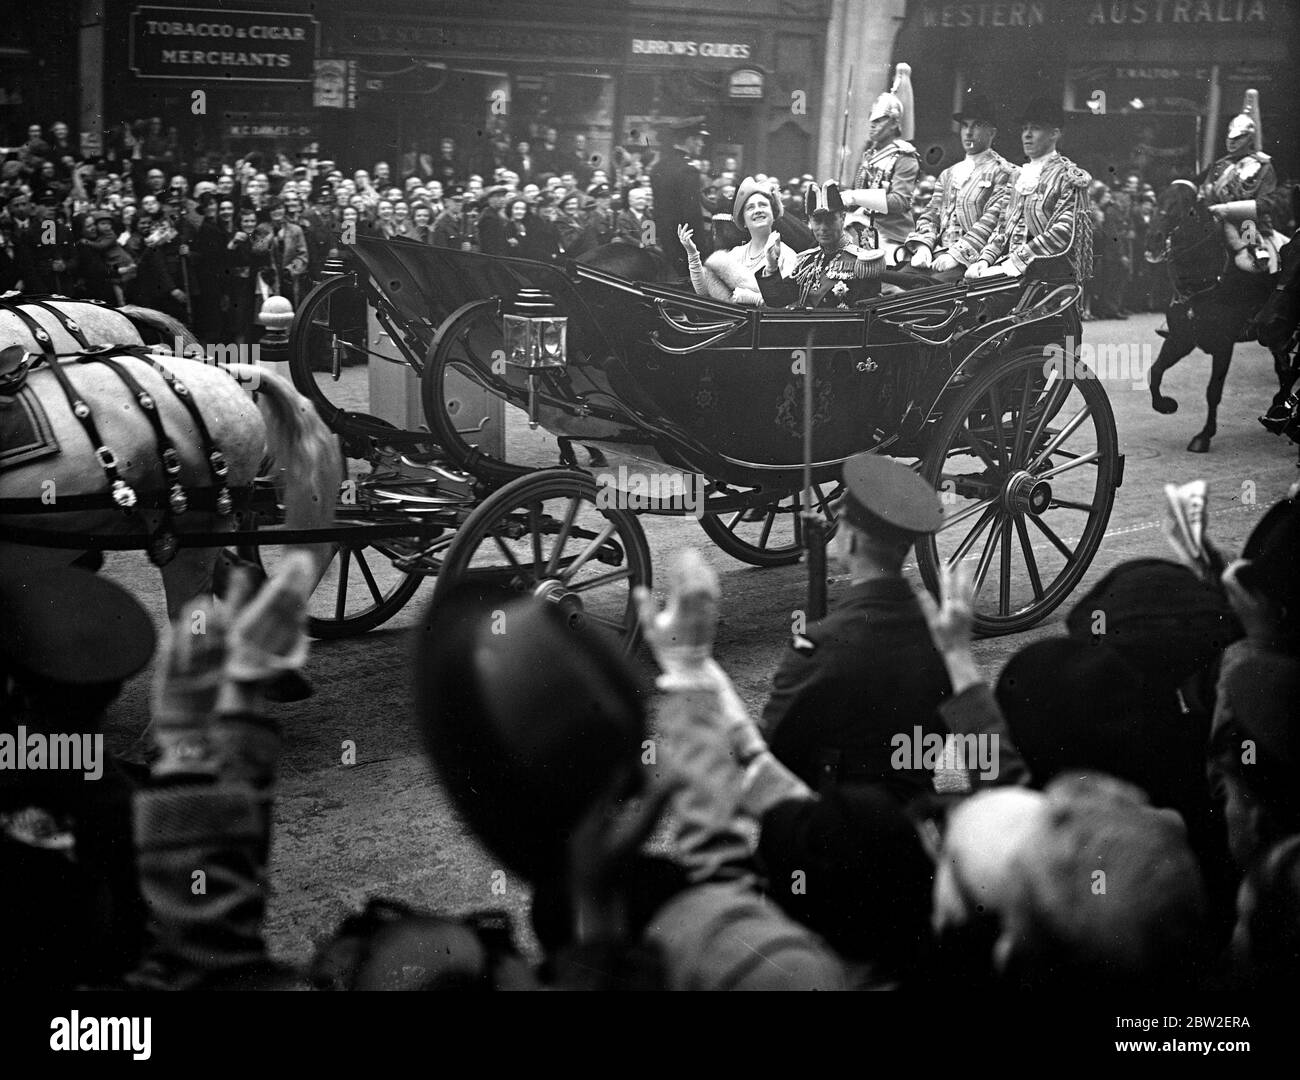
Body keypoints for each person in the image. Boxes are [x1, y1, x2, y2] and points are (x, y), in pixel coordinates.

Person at [760, 452, 951, 798]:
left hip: (842, 823)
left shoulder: (820, 644)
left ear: (849, 540)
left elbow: (773, 753)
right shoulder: (943, 637)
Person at [965, 97, 1092, 287]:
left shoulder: (1068, 176)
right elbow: (1002, 229)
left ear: (1054, 134)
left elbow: (1063, 231)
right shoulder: (1017, 176)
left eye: (1036, 128)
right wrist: (984, 260)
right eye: (1024, 129)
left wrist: (1014, 264)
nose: (1027, 135)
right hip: (1007, 269)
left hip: (1046, 272)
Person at [907, 93, 1017, 278]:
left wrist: (956, 255)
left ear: (992, 133)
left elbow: (992, 220)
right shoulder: (948, 174)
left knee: (928, 293)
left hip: (971, 262)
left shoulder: (1004, 173)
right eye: (965, 125)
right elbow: (931, 214)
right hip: (936, 254)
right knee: (894, 284)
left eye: (976, 126)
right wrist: (924, 247)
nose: (968, 132)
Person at [757, 181, 883, 308]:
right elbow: (777, 300)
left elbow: (864, 317)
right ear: (810, 221)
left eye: (830, 220)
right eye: (817, 221)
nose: (823, 228)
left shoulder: (863, 263)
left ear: (843, 218)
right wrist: (772, 266)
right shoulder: (807, 261)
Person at [679, 176, 798, 306]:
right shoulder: (736, 253)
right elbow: (704, 291)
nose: (757, 210)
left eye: (763, 205)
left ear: (773, 214)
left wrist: (756, 299)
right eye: (750, 208)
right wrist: (692, 254)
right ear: (744, 221)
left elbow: (786, 305)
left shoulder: (787, 255)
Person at [843, 88, 921, 262]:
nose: (872, 124)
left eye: (879, 120)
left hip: (890, 233)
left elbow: (900, 201)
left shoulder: (904, 157)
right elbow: (857, 190)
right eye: (871, 118)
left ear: (893, 123)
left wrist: (855, 197)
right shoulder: (869, 155)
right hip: (861, 225)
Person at [650, 118, 709, 276]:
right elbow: (692, 216)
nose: (701, 144)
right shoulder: (689, 171)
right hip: (682, 249)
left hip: (661, 244)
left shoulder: (657, 167)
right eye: (699, 140)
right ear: (690, 140)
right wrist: (702, 252)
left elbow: (656, 209)